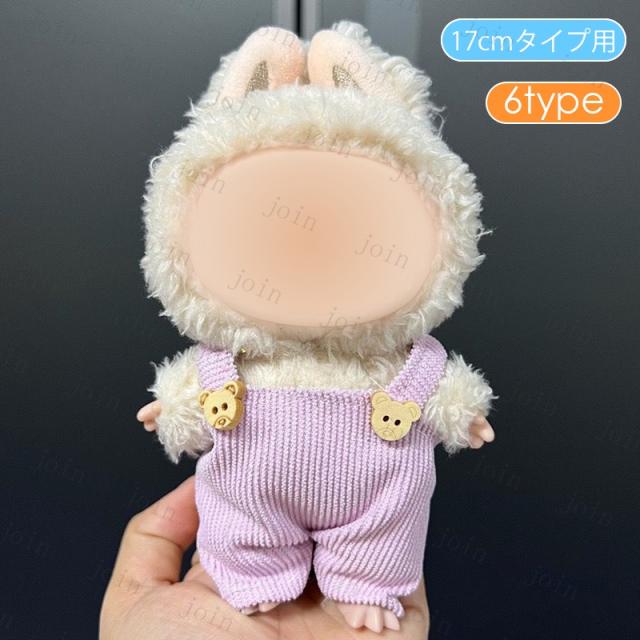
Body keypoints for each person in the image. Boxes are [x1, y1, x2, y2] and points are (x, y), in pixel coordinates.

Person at [100, 477, 431, 638]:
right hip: (261, 491)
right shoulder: (231, 367)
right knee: (248, 526)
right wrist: (176, 405)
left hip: (369, 483)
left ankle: (364, 586)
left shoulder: (410, 368)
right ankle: (255, 577)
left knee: (378, 540)